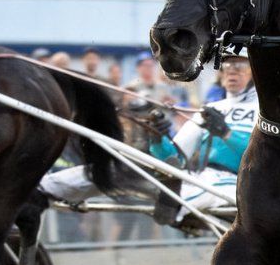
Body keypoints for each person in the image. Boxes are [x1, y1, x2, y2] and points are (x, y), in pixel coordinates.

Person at [39, 56, 257, 224]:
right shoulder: (211, 110)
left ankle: (173, 200)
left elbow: (260, 159)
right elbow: (174, 157)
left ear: (254, 72)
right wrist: (157, 137)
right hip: (194, 178)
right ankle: (44, 189)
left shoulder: (262, 111)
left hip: (236, 185)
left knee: (192, 191)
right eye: (227, 66)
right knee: (111, 168)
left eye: (240, 66)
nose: (232, 72)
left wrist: (226, 134)